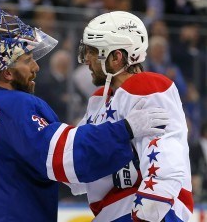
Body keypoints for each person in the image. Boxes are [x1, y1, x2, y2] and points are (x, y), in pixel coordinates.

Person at [0, 9, 169, 222]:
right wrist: (124, 130)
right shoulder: (18, 106)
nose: (36, 67)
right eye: (28, 59)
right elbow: (68, 159)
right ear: (6, 72)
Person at [75, 11, 193, 221]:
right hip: (114, 211)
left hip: (145, 208)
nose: (86, 60)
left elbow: (164, 151)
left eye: (93, 51)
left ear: (117, 57)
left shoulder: (147, 86)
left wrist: (151, 206)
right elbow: (79, 156)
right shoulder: (99, 100)